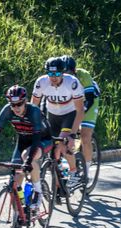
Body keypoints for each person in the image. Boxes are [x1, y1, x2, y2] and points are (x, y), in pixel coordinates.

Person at [0, 85, 52, 215]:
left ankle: (38, 192)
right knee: (14, 181)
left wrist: (29, 160)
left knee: (27, 157)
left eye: (19, 104)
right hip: (23, 140)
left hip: (42, 139)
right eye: (12, 105)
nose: (16, 108)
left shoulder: (34, 111)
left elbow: (37, 137)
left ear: (25, 101)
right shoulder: (7, 110)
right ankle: (18, 218)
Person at [31, 57, 85, 188]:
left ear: (63, 73)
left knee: (62, 143)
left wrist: (72, 134)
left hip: (69, 114)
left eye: (56, 74)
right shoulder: (41, 82)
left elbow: (80, 110)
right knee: (52, 148)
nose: (53, 77)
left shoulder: (72, 82)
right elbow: (33, 106)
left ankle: (74, 172)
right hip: (52, 115)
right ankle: (58, 170)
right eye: (50, 74)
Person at [61, 55, 101, 179]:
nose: (66, 75)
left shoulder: (83, 75)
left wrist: (80, 116)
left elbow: (89, 99)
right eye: (63, 73)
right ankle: (69, 164)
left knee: (84, 135)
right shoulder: (58, 79)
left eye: (69, 72)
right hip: (73, 103)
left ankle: (86, 172)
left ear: (74, 70)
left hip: (90, 102)